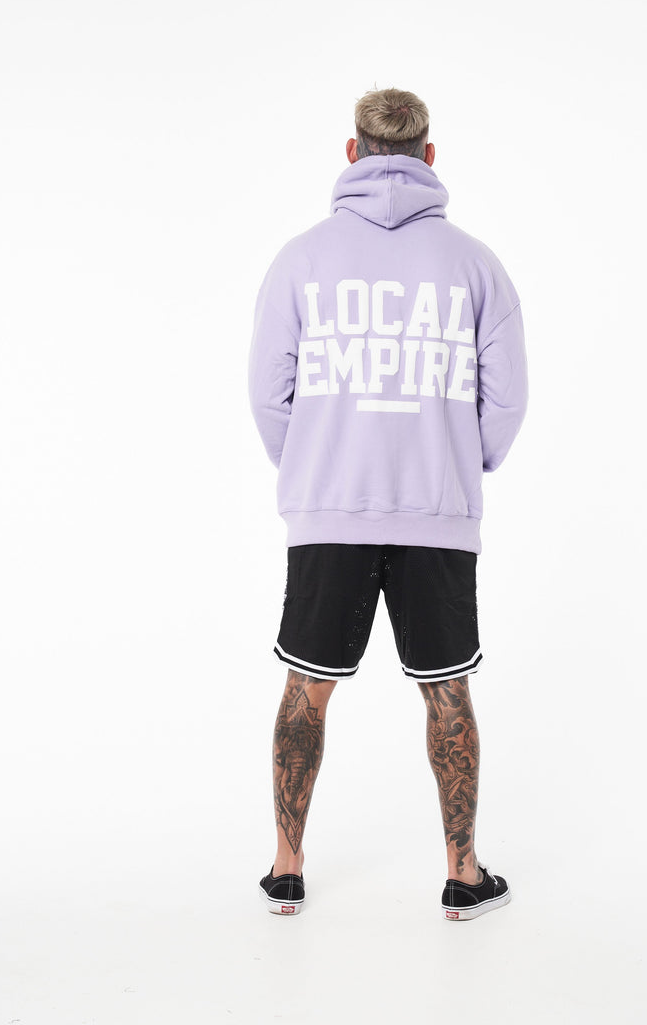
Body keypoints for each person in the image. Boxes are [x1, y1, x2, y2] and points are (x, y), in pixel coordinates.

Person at [247, 88, 529, 921]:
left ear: (352, 152)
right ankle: (463, 876)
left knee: (306, 686)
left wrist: (316, 466)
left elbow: (268, 394)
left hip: (327, 508)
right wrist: (459, 467)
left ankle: (286, 871)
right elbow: (506, 401)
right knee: (447, 692)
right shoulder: (476, 265)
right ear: (429, 156)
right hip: (437, 512)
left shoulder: (300, 260)